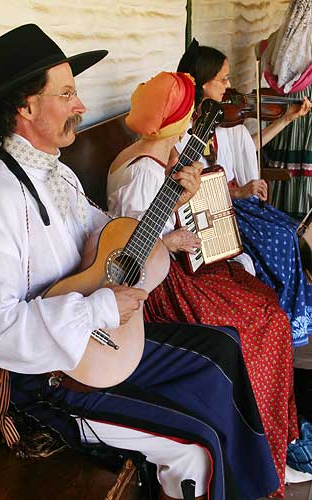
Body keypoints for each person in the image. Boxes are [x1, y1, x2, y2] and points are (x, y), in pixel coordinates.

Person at [0, 25, 279, 500]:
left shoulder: (56, 173)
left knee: (223, 347)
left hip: (93, 341)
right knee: (197, 442)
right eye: (67, 93)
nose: (80, 105)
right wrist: (98, 309)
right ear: (25, 107)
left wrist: (169, 200)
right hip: (46, 380)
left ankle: (256, 487)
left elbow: (109, 233)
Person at [107, 71, 297, 498]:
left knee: (261, 296)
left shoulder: (155, 156)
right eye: (188, 112)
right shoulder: (141, 172)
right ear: (174, 119)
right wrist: (173, 236)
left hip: (172, 269)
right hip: (156, 289)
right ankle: (261, 447)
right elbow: (130, 251)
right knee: (264, 320)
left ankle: (270, 441)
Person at [177, 39, 312, 349]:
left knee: (289, 230)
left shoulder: (224, 123)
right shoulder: (185, 129)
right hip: (214, 214)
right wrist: (238, 193)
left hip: (234, 204)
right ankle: (282, 318)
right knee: (279, 237)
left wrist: (286, 118)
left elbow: (245, 148)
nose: (229, 86)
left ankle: (291, 316)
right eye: (223, 79)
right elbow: (194, 189)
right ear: (201, 83)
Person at [258, 0, 312, 216]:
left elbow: (267, 57)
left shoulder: (277, 41)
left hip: (283, 118)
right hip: (300, 116)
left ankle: (282, 213)